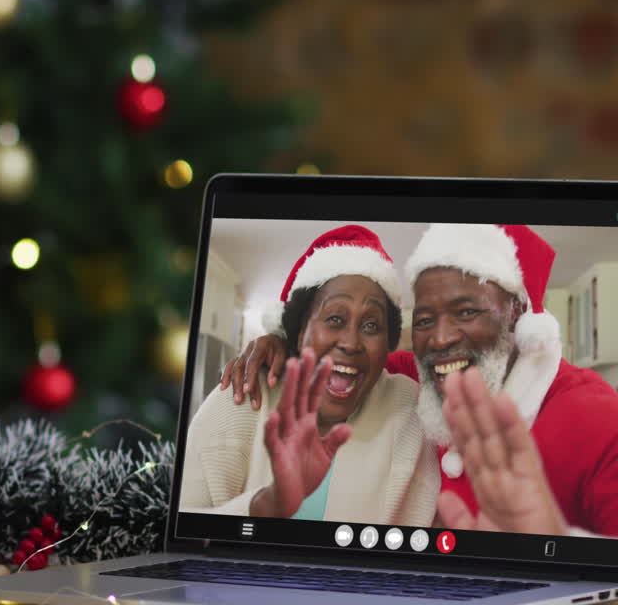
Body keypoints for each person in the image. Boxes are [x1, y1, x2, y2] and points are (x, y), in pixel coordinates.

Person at [219, 224, 618, 536]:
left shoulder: (597, 416)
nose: (440, 339)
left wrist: (552, 547)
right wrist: (283, 341)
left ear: (516, 312)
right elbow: (354, 362)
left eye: (466, 312)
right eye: (425, 320)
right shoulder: (421, 375)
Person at [180, 226, 439, 526]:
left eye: (371, 326)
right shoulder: (243, 395)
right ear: (299, 330)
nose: (351, 343)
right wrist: (267, 505)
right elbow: (181, 531)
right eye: (334, 319)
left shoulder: (409, 410)